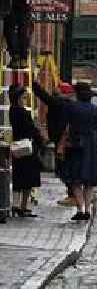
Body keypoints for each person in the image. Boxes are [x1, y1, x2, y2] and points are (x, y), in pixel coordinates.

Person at [32, 80, 75, 206]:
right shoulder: (67, 103)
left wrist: (34, 84)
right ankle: (71, 193)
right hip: (63, 139)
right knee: (65, 168)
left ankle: (72, 195)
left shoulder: (59, 102)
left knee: (63, 168)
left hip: (61, 140)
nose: (55, 88)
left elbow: (45, 97)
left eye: (58, 87)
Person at [63, 82, 97, 221]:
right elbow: (96, 125)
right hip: (91, 144)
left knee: (76, 179)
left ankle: (80, 209)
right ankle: (88, 210)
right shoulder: (95, 109)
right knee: (89, 181)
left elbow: (67, 125)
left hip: (76, 144)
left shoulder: (71, 107)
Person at [9, 84, 46, 217]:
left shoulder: (12, 110)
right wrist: (41, 139)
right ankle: (23, 207)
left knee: (19, 178)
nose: (25, 99)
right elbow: (31, 130)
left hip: (18, 147)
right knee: (28, 179)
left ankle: (15, 205)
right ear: (18, 98)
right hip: (28, 148)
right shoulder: (23, 112)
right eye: (24, 97)